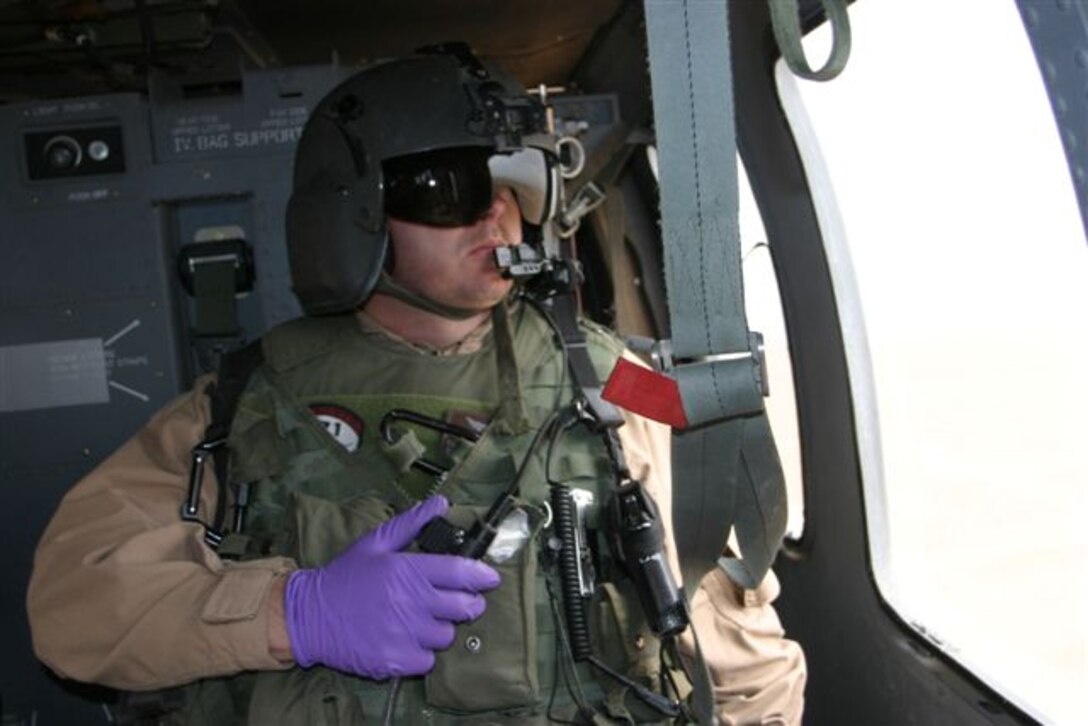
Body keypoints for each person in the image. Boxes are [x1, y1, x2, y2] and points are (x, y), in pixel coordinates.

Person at [27, 46, 805, 724]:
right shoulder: (238, 404)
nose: (498, 214)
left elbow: (722, 612)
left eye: (514, 181)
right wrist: (292, 615)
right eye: (451, 189)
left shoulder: (611, 381)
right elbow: (74, 610)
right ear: (356, 215)